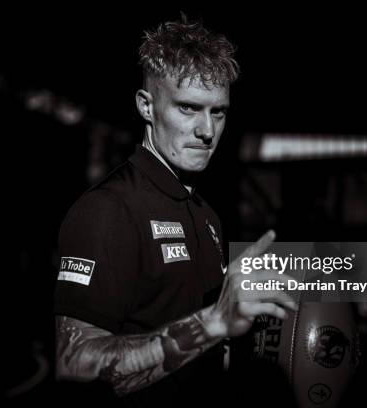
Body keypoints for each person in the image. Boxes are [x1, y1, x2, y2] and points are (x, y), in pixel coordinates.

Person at [53, 16, 296, 406]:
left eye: (218, 112)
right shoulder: (108, 209)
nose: (207, 131)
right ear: (146, 106)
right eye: (188, 108)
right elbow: (73, 365)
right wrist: (212, 322)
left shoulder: (207, 215)